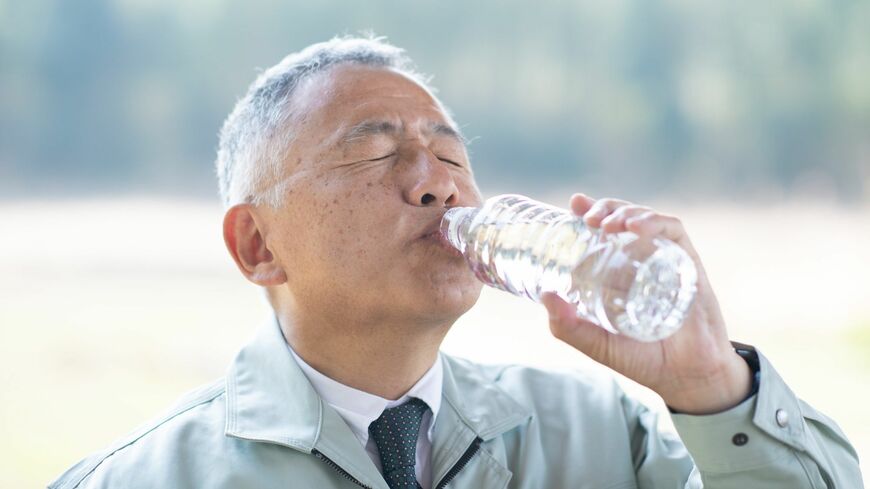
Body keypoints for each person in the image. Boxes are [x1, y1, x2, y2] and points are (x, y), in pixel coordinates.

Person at [49, 35, 863, 489]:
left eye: (450, 155)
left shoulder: (603, 439)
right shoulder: (143, 477)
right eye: (375, 153)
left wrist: (713, 386)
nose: (436, 184)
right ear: (258, 246)